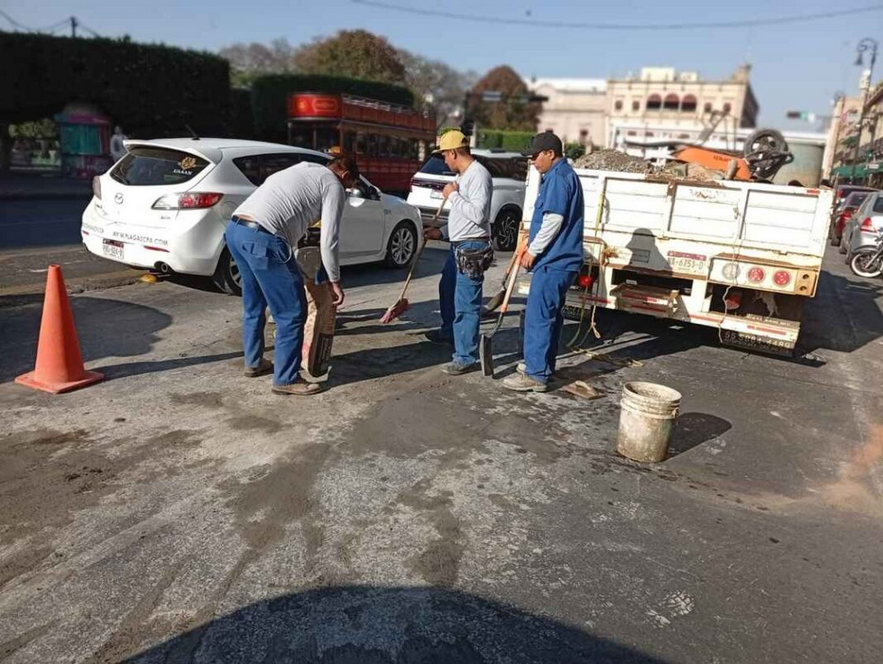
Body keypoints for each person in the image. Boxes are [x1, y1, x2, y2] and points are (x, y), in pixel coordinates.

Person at [225, 156, 359, 395]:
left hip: (236, 230)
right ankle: (286, 378)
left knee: (255, 303)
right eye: (349, 187)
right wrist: (334, 280)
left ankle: (254, 361)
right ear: (346, 176)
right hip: (264, 238)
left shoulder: (303, 169)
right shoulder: (333, 185)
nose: (346, 192)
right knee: (293, 312)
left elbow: (289, 218)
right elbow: (329, 239)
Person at [503, 131, 585, 393]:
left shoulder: (559, 178)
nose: (532, 162)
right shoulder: (560, 176)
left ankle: (535, 373)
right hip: (562, 262)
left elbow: (554, 220)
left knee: (539, 317)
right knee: (550, 317)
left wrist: (533, 251)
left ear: (551, 153)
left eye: (535, 157)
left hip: (554, 261)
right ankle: (542, 366)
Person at [423, 130, 494, 374]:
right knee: (447, 289)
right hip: (459, 244)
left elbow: (478, 215)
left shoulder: (478, 175)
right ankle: (449, 332)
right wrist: (440, 233)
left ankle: (465, 356)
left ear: (453, 152)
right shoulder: (463, 176)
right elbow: (462, 217)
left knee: (466, 302)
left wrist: (452, 195)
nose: (444, 160)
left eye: (445, 155)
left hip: (472, 247)